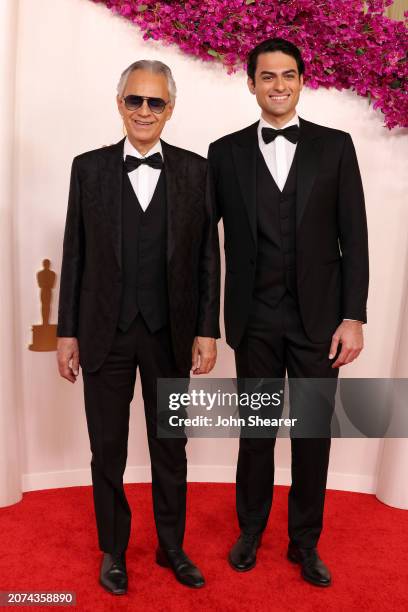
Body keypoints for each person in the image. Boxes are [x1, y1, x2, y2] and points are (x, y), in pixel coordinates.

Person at [207, 38, 369, 586]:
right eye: (268, 76)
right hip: (253, 320)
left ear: (302, 81)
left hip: (320, 322)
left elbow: (356, 239)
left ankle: (305, 543)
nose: (279, 85)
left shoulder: (336, 147)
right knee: (256, 433)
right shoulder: (223, 152)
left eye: (289, 75)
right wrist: (207, 323)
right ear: (250, 83)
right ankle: (250, 531)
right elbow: (208, 246)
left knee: (312, 435)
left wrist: (353, 316)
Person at [57, 60, 220, 595]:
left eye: (155, 102)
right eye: (135, 100)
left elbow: (206, 260)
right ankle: (114, 551)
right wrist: (67, 332)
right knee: (108, 449)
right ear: (120, 103)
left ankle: (172, 546)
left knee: (170, 446)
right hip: (104, 333)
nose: (144, 111)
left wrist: (206, 330)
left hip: (171, 335)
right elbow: (74, 254)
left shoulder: (197, 172)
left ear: (170, 109)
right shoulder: (88, 169)